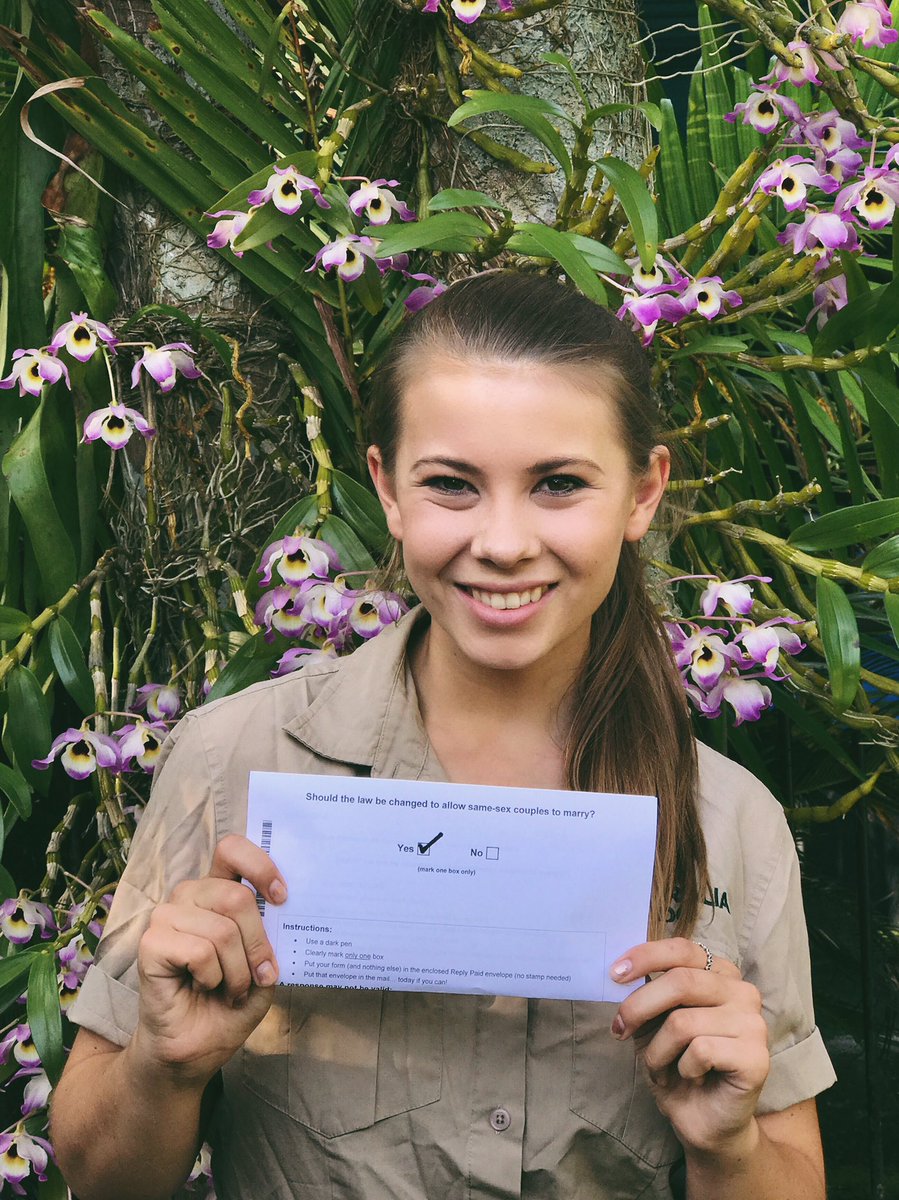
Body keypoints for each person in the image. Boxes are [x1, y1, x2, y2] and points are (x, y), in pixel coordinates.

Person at [51, 271, 835, 1200]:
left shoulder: (729, 821)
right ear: (385, 488)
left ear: (642, 492)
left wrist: (728, 1148)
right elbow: (99, 1179)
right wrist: (163, 1065)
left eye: (558, 484)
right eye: (452, 485)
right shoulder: (236, 761)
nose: (503, 542)